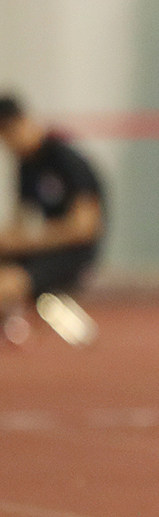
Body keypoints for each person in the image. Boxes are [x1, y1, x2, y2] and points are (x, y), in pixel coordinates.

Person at [0, 95, 105, 346]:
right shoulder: (26, 165)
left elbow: (85, 227)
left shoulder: (66, 159)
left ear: (21, 123)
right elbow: (21, 221)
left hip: (74, 252)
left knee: (8, 284)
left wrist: (29, 242)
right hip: (44, 248)